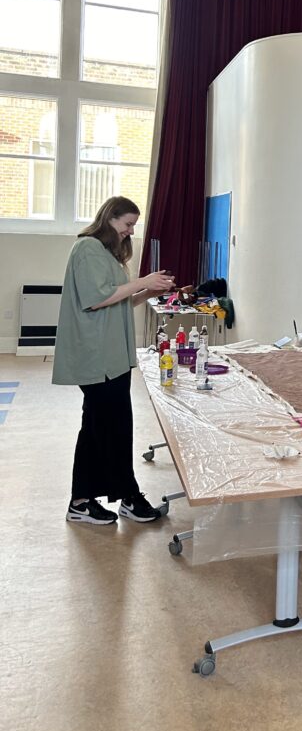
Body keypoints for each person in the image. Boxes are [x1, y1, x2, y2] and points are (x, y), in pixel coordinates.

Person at [53, 196, 176, 526]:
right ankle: (126, 497)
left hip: (112, 357)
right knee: (111, 428)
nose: (130, 231)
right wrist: (143, 281)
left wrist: (146, 293)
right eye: (127, 224)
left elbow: (115, 301)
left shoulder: (107, 253)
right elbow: (96, 300)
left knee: (100, 427)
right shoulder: (88, 248)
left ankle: (84, 501)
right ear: (110, 218)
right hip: (98, 357)